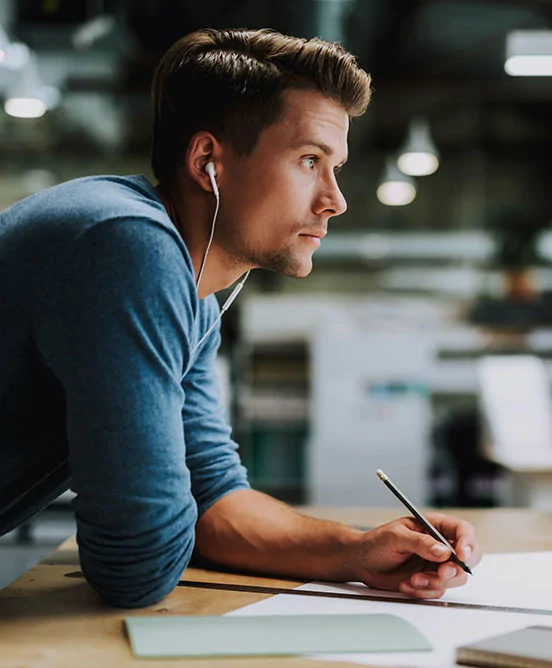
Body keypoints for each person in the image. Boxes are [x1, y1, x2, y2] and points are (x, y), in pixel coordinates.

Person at [0, 27, 482, 608]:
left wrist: (355, 552)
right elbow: (137, 563)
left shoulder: (198, 291)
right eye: (309, 160)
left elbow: (217, 498)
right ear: (209, 163)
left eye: (337, 167)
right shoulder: (127, 244)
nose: (335, 199)